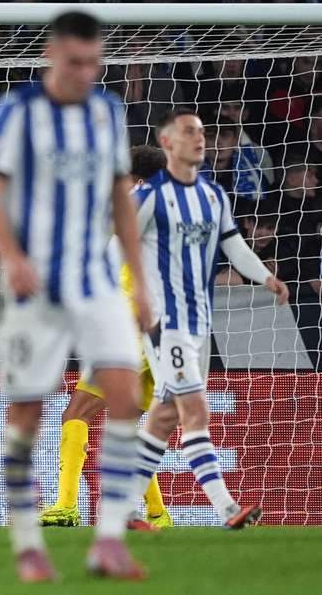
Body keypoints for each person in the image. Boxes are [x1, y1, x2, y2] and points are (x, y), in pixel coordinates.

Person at [0, 12, 153, 581]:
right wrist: (11, 256)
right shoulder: (17, 110)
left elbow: (121, 196)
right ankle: (28, 543)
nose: (85, 73)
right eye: (76, 62)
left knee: (125, 396)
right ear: (51, 54)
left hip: (97, 278)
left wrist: (141, 281)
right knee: (27, 411)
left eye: (94, 63)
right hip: (34, 282)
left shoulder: (108, 111)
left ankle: (110, 540)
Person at [129, 107, 289, 532]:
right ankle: (226, 507)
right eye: (189, 132)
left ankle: (122, 508)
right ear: (167, 143)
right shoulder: (148, 197)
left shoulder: (213, 195)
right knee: (194, 410)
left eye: (201, 132)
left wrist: (266, 276)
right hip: (165, 323)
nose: (200, 139)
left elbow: (233, 245)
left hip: (200, 321)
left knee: (166, 416)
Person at [39, 145, 172, 531]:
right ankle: (158, 514)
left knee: (76, 413)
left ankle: (67, 506)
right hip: (160, 332)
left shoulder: (140, 203)